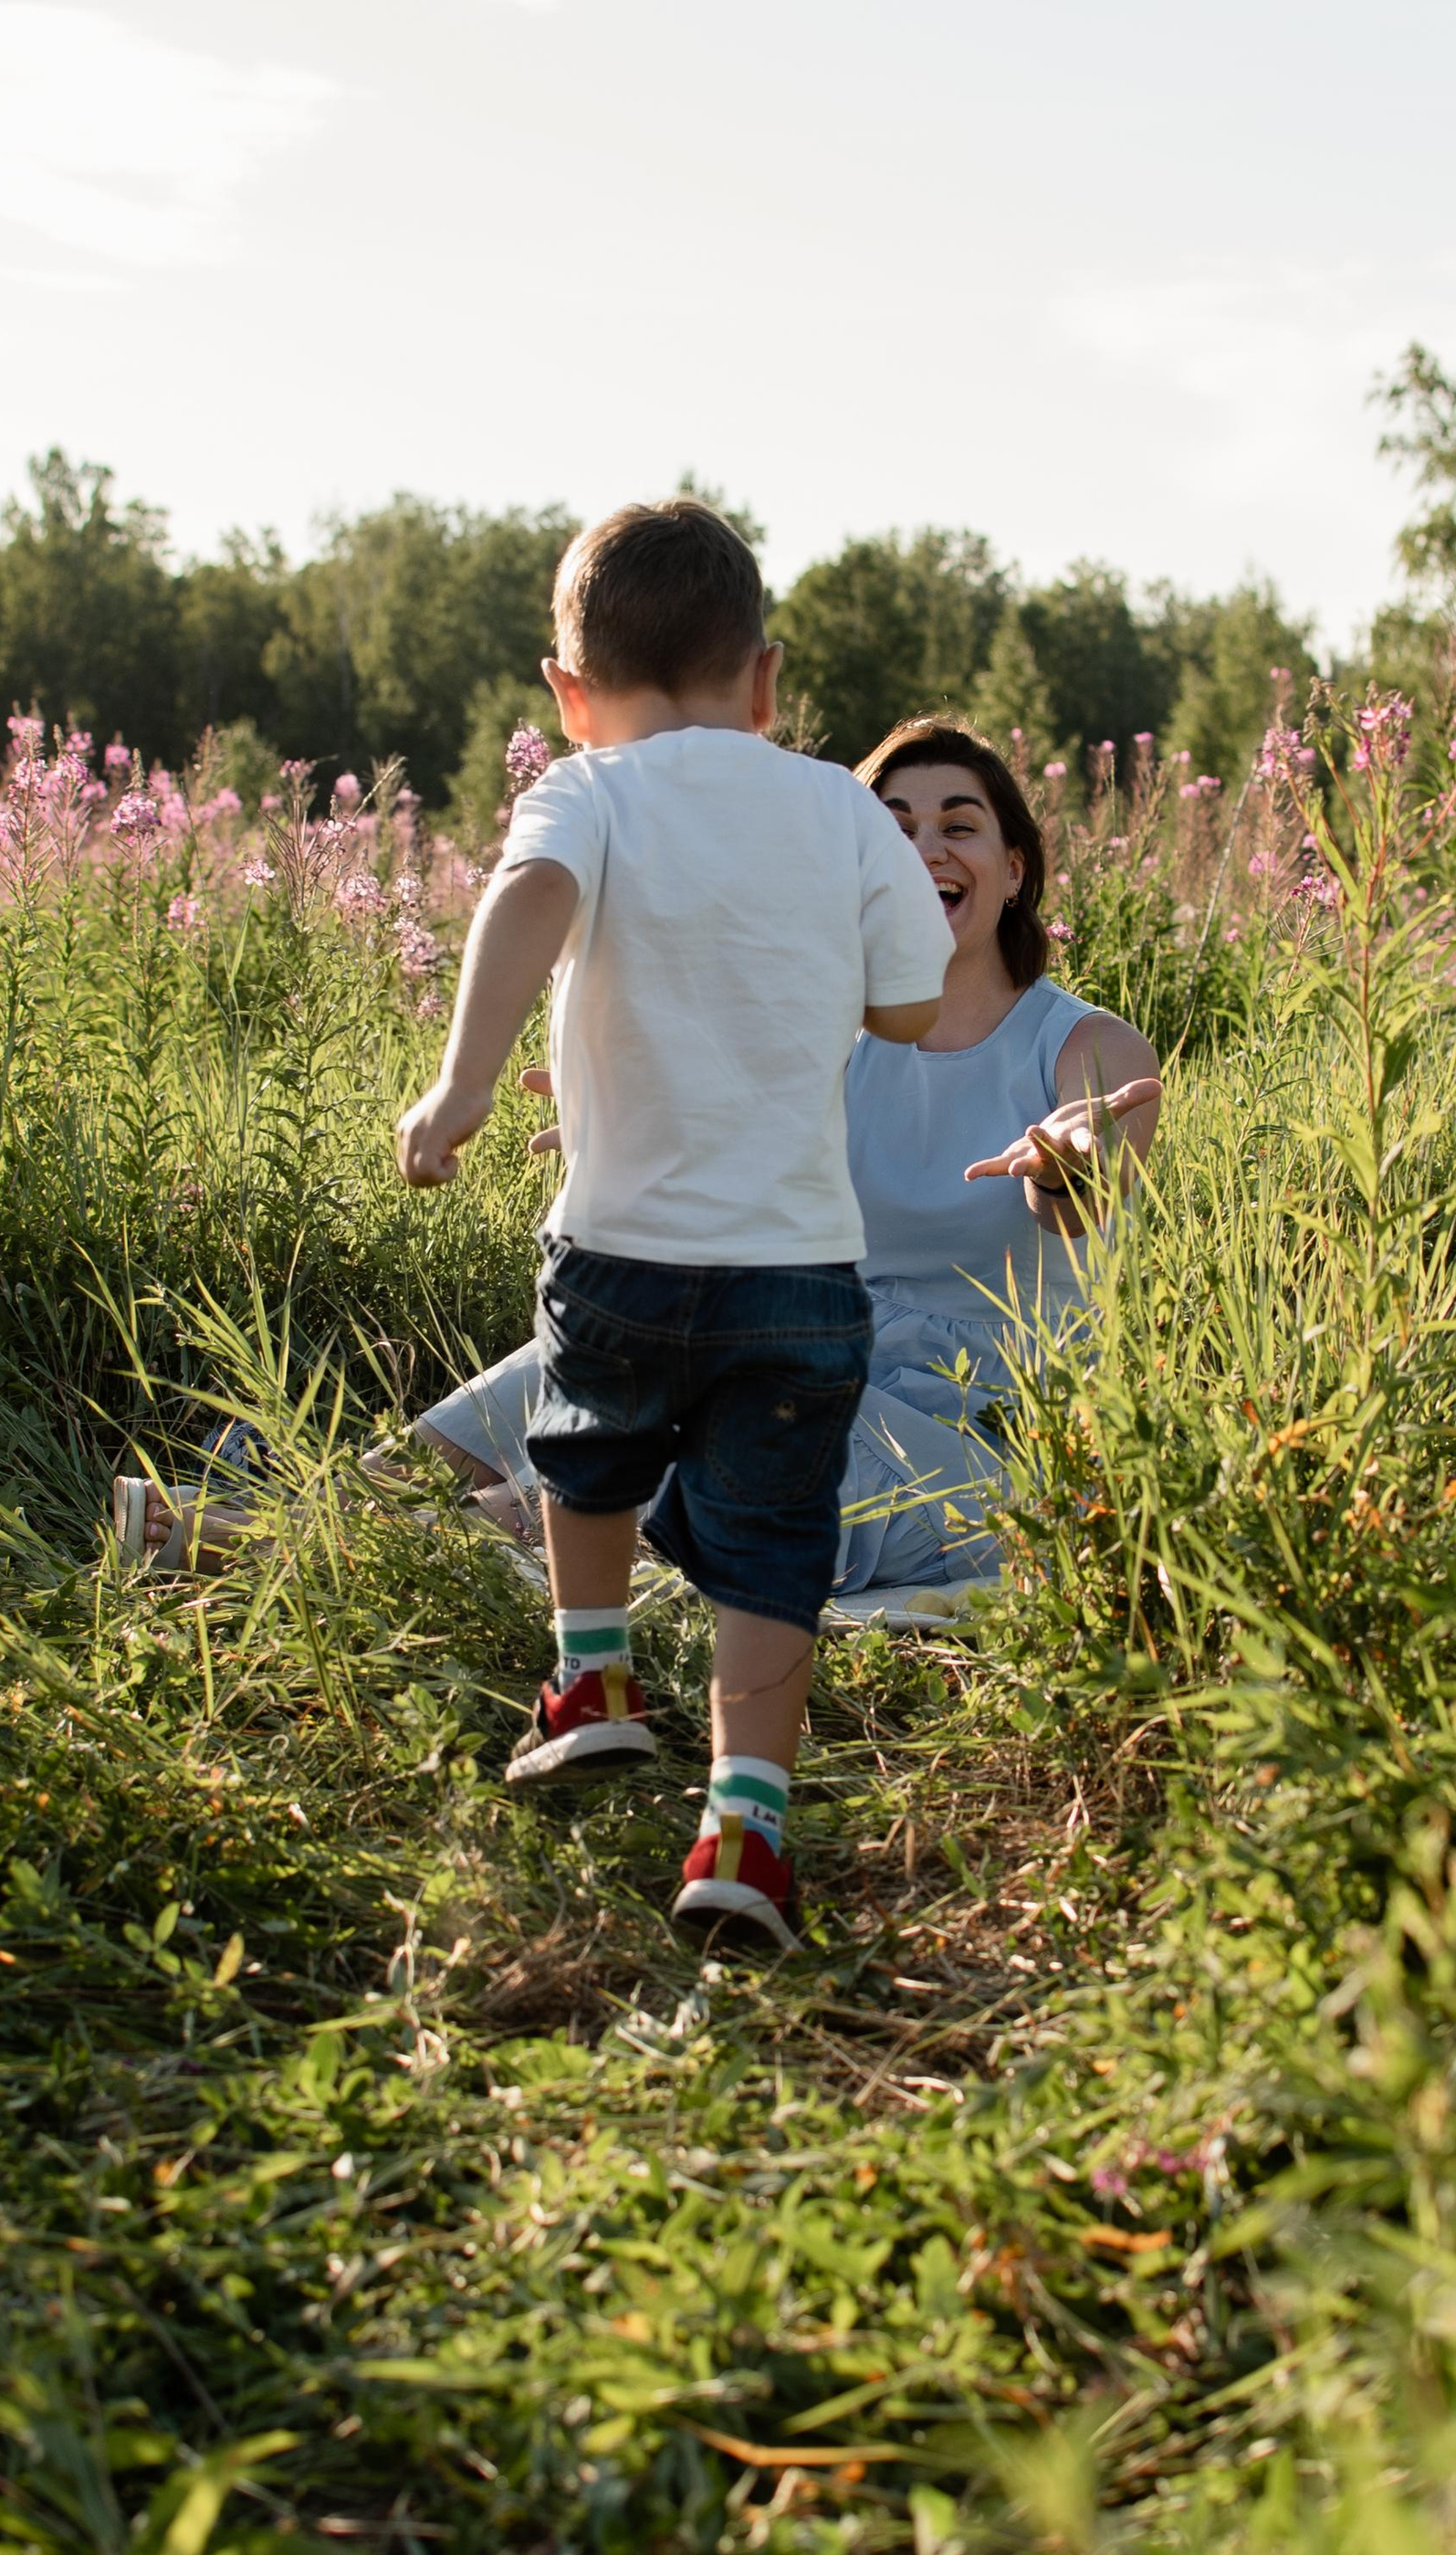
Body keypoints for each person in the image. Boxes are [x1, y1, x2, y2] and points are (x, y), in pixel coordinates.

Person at [395, 498, 956, 1951]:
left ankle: (593, 1678)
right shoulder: (838, 803)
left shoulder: (590, 793)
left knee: (586, 1443)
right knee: (775, 1543)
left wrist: (461, 1086)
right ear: (764, 681)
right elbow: (908, 999)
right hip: (799, 1270)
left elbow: (528, 897)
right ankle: (746, 1828)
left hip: (626, 1246)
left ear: (569, 696)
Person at [417, 720, 1162, 1598]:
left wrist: (1067, 1164)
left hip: (981, 1444)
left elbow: (1087, 1188)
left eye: (959, 827)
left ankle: (384, 1558)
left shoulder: (1088, 1047)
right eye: (893, 830)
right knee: (566, 1369)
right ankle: (328, 1519)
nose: (926, 852)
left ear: (1014, 871)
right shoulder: (827, 1039)